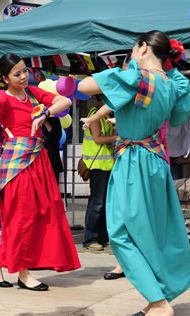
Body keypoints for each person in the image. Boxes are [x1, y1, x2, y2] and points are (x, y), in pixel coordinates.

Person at [79, 30, 190, 315]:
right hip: (156, 163)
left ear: (144, 47)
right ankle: (157, 299)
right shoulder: (172, 83)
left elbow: (86, 86)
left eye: (134, 49)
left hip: (133, 162)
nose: (132, 54)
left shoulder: (136, 79)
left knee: (122, 232)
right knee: (154, 232)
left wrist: (127, 70)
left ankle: (159, 302)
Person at [0, 53, 81, 291]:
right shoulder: (0, 98)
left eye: (24, 71)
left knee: (43, 213)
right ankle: (22, 273)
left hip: (38, 161)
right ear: (5, 77)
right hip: (16, 163)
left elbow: (66, 102)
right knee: (21, 215)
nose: (23, 76)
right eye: (16, 73)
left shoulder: (32, 93)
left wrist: (45, 113)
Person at [81, 100, 116, 252]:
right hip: (97, 166)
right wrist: (117, 137)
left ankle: (102, 237)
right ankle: (91, 238)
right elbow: (98, 139)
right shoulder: (95, 115)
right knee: (97, 202)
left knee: (106, 203)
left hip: (109, 165)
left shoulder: (110, 114)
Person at [167, 114, 190, 179]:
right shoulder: (157, 112)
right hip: (157, 158)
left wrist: (189, 157)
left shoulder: (184, 115)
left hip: (175, 160)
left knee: (175, 186)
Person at [41, 116, 64, 183]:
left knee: (53, 184)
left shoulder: (54, 120)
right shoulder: (32, 121)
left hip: (52, 160)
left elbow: (56, 136)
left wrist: (45, 121)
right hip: (37, 159)